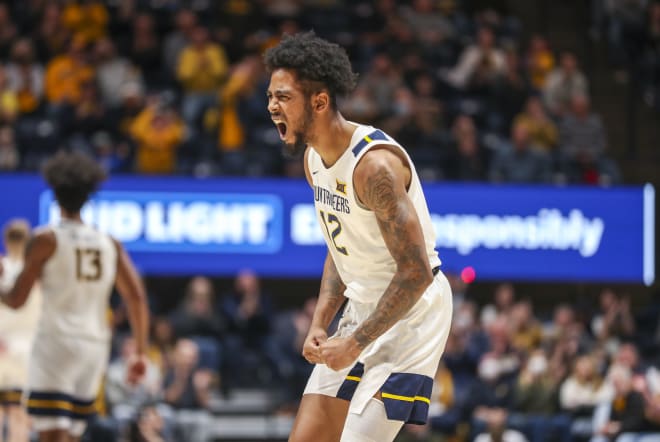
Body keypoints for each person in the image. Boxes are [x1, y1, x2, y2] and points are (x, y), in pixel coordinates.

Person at [264, 31, 453, 442]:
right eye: (270, 97)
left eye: (282, 97)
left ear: (319, 101)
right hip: (363, 308)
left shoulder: (374, 168)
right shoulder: (315, 161)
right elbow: (340, 248)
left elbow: (417, 271)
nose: (271, 107)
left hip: (412, 313)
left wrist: (354, 343)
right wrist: (320, 322)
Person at [0, 151, 150, 442]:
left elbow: (17, 299)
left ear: (55, 193)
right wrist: (141, 353)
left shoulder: (45, 239)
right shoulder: (109, 243)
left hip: (56, 342)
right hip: (94, 347)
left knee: (51, 434)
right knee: (72, 433)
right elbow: (137, 298)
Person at [0, 219, 41, 442]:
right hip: (24, 349)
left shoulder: (5, 267)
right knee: (19, 415)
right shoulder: (35, 272)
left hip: (6, 345)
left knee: (10, 414)